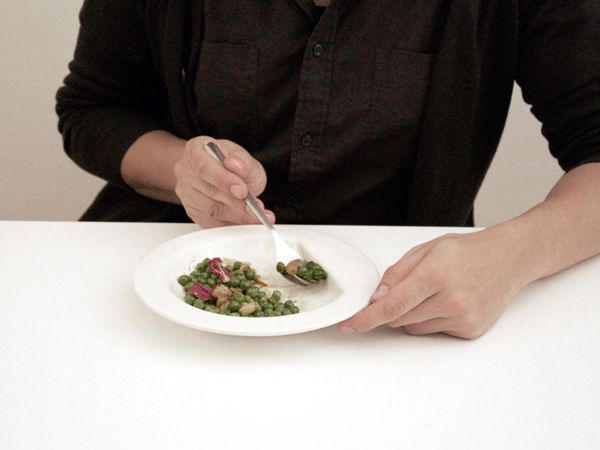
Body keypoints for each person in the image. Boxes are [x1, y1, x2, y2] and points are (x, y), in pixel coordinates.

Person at [56, 0, 600, 339]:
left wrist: (513, 253)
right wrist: (181, 168)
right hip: (159, 290)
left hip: (402, 312)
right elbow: (93, 107)